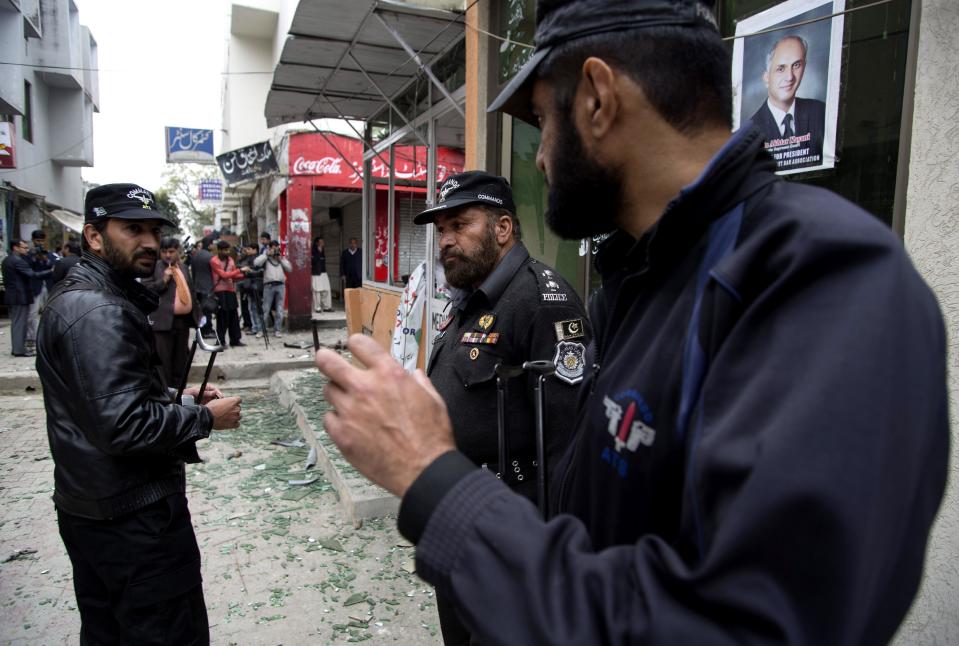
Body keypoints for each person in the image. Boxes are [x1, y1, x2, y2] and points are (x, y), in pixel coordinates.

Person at [313, 1, 949, 644]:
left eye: (541, 119)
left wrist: (431, 477)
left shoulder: (821, 280)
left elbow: (735, 627)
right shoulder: (638, 286)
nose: (537, 158)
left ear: (596, 97)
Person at [37, 183, 243, 644]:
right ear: (94, 236)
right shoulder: (98, 310)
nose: (149, 241)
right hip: (132, 522)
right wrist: (207, 419)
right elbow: (125, 424)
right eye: (133, 229)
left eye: (154, 230)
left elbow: (98, 396)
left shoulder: (88, 297)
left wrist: (176, 395)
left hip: (97, 509)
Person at [412, 170, 591, 644]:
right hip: (460, 519)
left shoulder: (541, 300)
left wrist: (550, 563)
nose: (445, 240)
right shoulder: (471, 299)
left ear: (503, 228)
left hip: (512, 536)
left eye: (460, 225)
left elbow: (566, 445)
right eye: (441, 230)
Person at [749, 34, 826, 166]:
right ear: (766, 78)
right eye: (780, 69)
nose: (790, 77)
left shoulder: (820, 112)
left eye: (796, 65)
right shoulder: (750, 133)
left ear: (804, 66)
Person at [142, 237, 200, 388]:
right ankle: (166, 397)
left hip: (182, 322)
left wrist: (198, 316)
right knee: (163, 363)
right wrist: (164, 280)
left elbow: (191, 292)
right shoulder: (153, 267)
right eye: (164, 251)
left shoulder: (183, 268)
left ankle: (180, 396)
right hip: (162, 324)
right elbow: (145, 290)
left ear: (178, 251)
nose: (167, 255)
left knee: (181, 362)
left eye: (171, 251)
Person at [2, 238, 52, 357]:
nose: (26, 250)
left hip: (14, 295)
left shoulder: (8, 260)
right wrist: (50, 271)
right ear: (15, 248)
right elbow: (32, 274)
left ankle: (18, 348)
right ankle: (19, 350)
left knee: (17, 323)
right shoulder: (17, 260)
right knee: (20, 323)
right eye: (24, 247)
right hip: (19, 296)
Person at [210, 240, 248, 348]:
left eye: (228, 250)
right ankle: (220, 341)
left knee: (233, 316)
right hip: (220, 291)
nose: (227, 252)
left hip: (230, 291)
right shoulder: (214, 261)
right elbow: (224, 275)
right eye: (225, 250)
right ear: (219, 250)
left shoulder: (231, 260)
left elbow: (233, 277)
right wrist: (240, 270)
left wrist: (245, 275)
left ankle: (235, 340)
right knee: (222, 317)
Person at [25, 229, 55, 349]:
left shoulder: (48, 253)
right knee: (32, 314)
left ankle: (48, 338)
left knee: (49, 313)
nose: (40, 243)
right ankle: (32, 338)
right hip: (35, 287)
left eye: (42, 241)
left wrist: (43, 258)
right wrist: (33, 256)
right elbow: (28, 269)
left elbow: (53, 265)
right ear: (33, 240)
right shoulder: (28, 254)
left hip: (47, 286)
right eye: (37, 241)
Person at [255, 240, 292, 337]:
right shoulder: (266, 257)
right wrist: (266, 255)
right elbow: (256, 263)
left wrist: (281, 259)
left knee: (279, 310)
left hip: (280, 285)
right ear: (270, 248)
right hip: (269, 286)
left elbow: (290, 269)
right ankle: (261, 330)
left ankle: (277, 330)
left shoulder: (280, 258)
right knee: (265, 309)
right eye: (274, 247)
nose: (275, 249)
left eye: (277, 247)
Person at [236, 242, 265, 338]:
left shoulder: (258, 259)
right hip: (249, 287)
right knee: (252, 308)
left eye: (249, 249)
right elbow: (239, 266)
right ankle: (255, 327)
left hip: (256, 286)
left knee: (257, 308)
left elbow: (259, 272)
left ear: (255, 249)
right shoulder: (247, 258)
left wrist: (249, 272)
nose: (247, 251)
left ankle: (260, 328)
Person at [191, 236, 216, 338]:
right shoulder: (210, 256)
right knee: (208, 309)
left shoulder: (195, 255)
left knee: (200, 309)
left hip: (197, 286)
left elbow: (193, 271)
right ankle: (207, 330)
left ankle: (201, 329)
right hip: (208, 287)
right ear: (209, 244)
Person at [311, 236, 333, 313]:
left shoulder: (322, 250)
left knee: (326, 289)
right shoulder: (312, 250)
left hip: (323, 272)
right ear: (317, 243)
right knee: (317, 290)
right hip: (315, 273)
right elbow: (312, 261)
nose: (323, 243)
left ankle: (327, 307)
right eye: (321, 242)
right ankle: (317, 308)